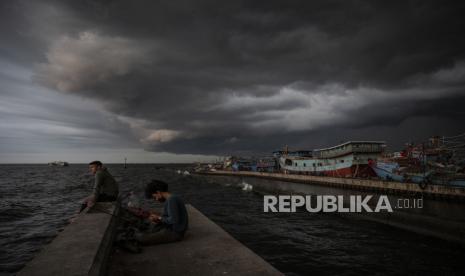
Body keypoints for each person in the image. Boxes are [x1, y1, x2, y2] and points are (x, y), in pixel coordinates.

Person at [136, 179, 188, 245]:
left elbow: (173, 220)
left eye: (154, 197)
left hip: (175, 233)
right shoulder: (172, 198)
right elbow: (170, 217)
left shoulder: (172, 200)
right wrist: (157, 219)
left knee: (142, 239)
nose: (156, 199)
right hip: (173, 230)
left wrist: (159, 217)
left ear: (158, 192)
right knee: (148, 231)